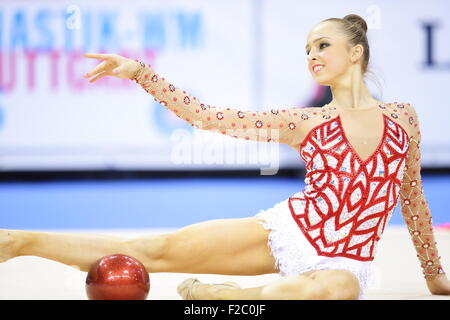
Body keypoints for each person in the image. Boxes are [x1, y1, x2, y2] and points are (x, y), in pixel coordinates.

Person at [2, 14, 449, 300]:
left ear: (356, 52)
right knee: (152, 251)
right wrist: (141, 73)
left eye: (323, 45)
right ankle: (18, 241)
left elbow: (413, 200)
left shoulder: (403, 118)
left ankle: (229, 294)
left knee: (335, 291)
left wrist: (434, 278)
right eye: (308, 48)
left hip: (346, 263)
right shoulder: (305, 121)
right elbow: (208, 117)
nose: (312, 55)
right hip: (290, 232)